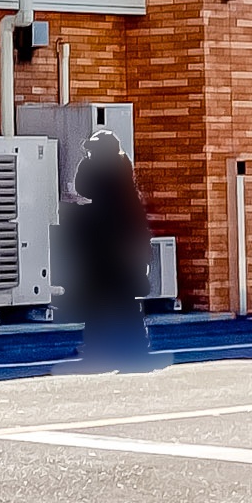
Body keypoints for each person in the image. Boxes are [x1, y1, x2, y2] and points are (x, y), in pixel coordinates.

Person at [67, 129, 153, 364]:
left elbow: (82, 186)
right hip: (124, 248)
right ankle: (135, 341)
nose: (91, 154)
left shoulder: (104, 176)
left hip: (106, 248)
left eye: (95, 150)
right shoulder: (124, 177)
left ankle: (98, 343)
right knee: (125, 297)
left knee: (97, 298)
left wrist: (86, 160)